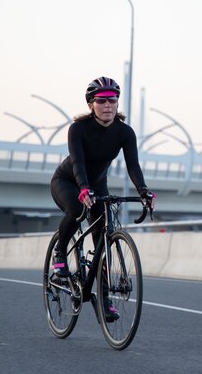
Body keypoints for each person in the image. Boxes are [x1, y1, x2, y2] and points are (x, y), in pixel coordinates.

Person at [49, 76, 154, 321]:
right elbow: (78, 162)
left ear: (118, 104)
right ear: (91, 105)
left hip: (98, 186)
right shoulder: (78, 129)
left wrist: (144, 191)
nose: (108, 105)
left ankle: (103, 300)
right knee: (76, 209)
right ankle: (60, 253)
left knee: (102, 243)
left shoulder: (124, 132)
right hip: (67, 181)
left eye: (113, 100)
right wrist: (83, 188)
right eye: (101, 101)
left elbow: (133, 166)